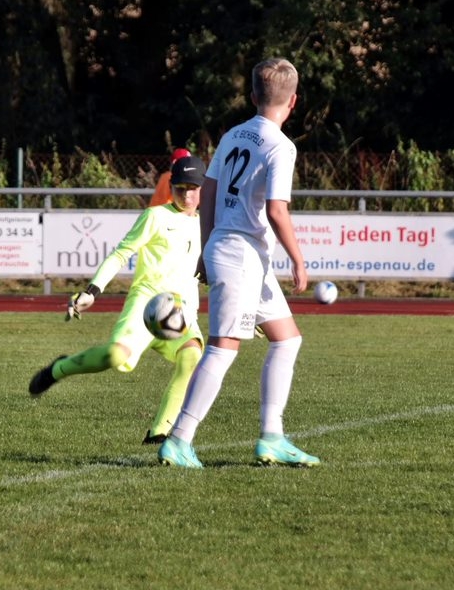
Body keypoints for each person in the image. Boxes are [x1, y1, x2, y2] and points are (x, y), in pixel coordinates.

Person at [158, 57, 319, 469]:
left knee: (287, 339)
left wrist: (206, 245)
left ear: (252, 96)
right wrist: (299, 260)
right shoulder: (281, 145)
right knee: (223, 348)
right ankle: (179, 439)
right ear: (294, 101)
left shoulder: (232, 135)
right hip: (241, 256)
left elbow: (209, 192)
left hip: (238, 253)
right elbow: (277, 210)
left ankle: (272, 437)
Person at [29, 153, 207, 445]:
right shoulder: (155, 216)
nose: (187, 195)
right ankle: (59, 368)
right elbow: (120, 254)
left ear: (203, 189)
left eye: (193, 188)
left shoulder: (208, 225)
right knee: (115, 356)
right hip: (146, 305)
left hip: (181, 312)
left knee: (192, 357)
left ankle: (159, 432)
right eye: (180, 188)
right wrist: (92, 291)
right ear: (171, 186)